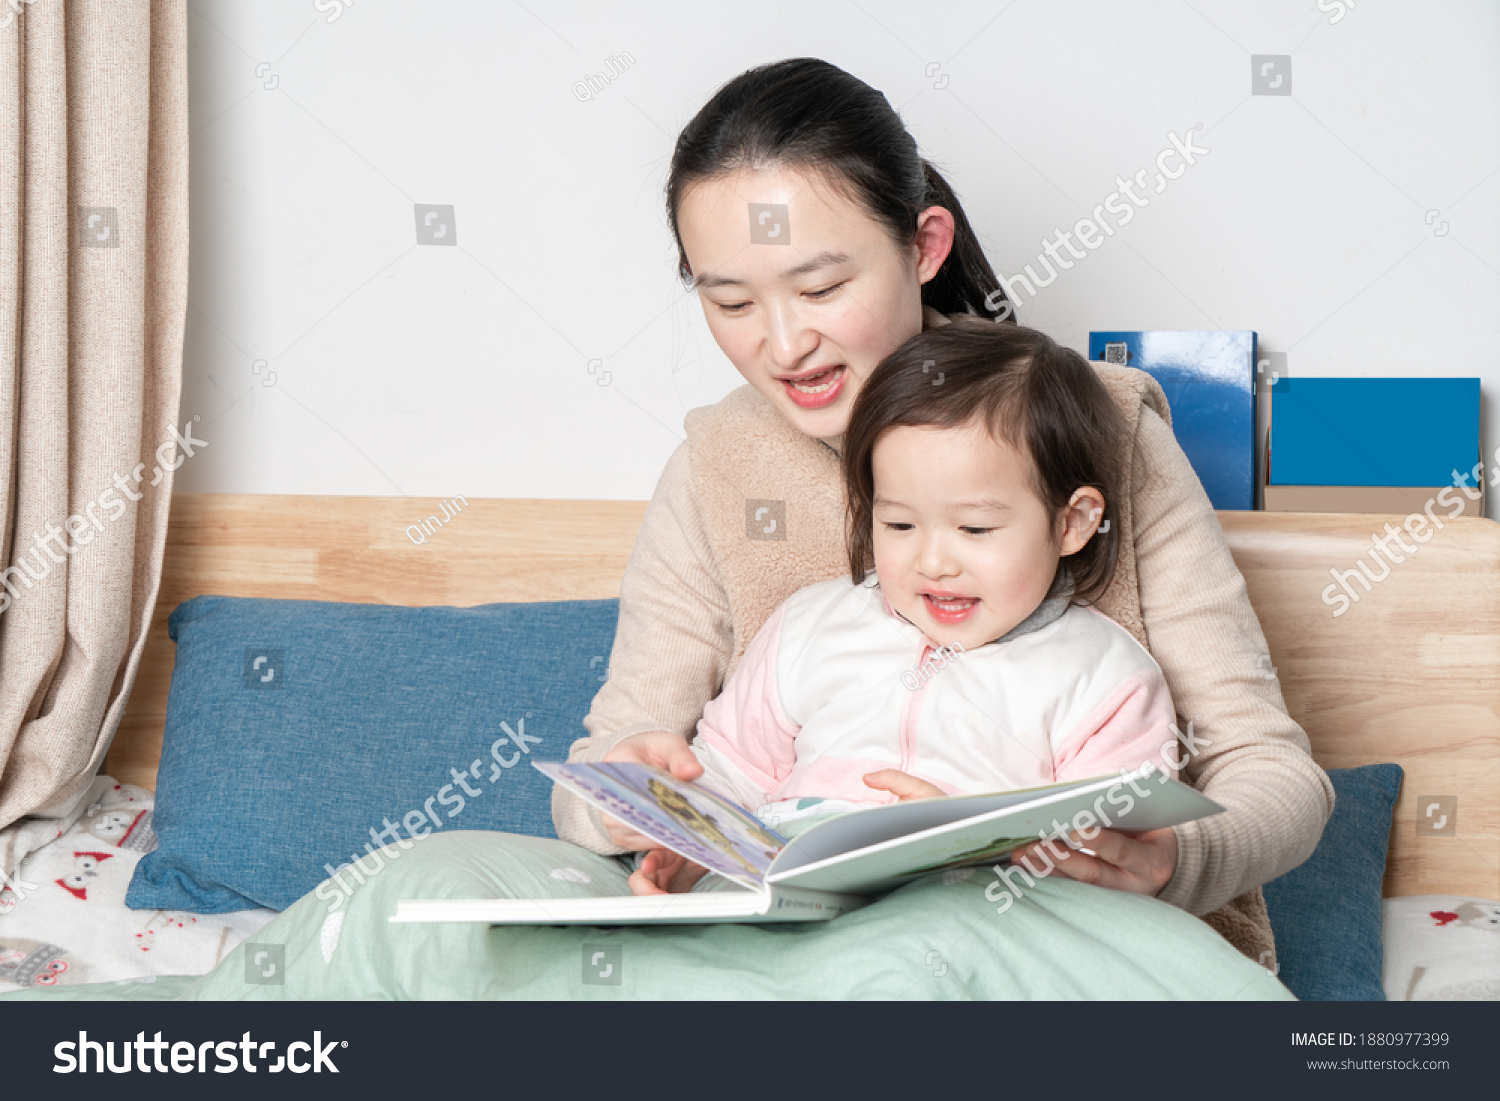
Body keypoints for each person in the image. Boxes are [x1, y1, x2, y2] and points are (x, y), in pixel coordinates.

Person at [557, 56, 1334, 965]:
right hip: (788, 947)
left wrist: (1176, 858)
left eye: (820, 288)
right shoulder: (713, 469)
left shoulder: (1104, 428)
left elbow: (1272, 771)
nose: (781, 343)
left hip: (1066, 950)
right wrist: (630, 798)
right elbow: (600, 771)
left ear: (924, 247)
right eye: (729, 300)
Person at [630, 319, 1185, 895]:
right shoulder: (811, 626)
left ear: (1072, 523)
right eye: (898, 523)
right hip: (794, 889)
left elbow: (1105, 857)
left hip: (972, 905)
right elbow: (730, 772)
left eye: (975, 527)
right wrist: (689, 846)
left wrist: (966, 834)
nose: (934, 562)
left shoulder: (1104, 675)